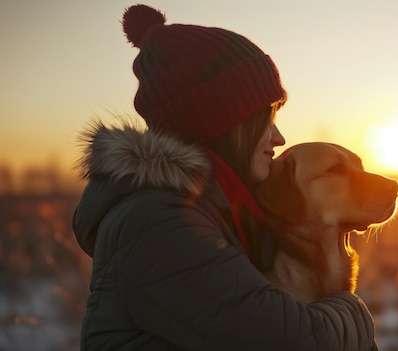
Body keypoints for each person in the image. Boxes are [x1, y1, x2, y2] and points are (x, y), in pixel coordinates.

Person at [72, 4, 378, 351]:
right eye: (266, 120)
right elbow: (288, 340)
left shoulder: (212, 209)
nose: (278, 139)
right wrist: (353, 309)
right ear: (225, 123)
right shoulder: (158, 220)